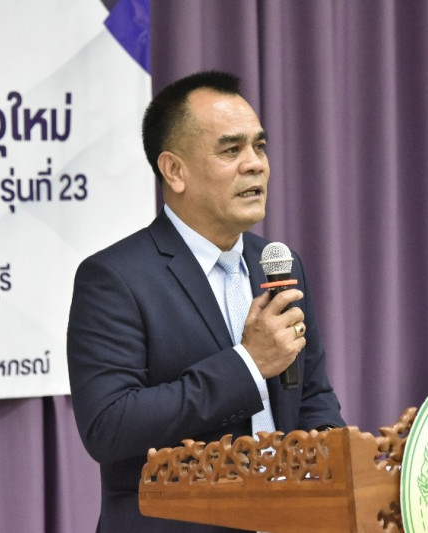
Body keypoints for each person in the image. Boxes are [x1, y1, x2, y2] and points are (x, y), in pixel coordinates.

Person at [66, 70, 345, 532]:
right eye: (231, 150)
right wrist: (248, 364)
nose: (255, 165)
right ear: (174, 171)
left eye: (260, 146)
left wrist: (330, 460)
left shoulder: (279, 265)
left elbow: (312, 394)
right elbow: (110, 426)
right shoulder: (114, 278)